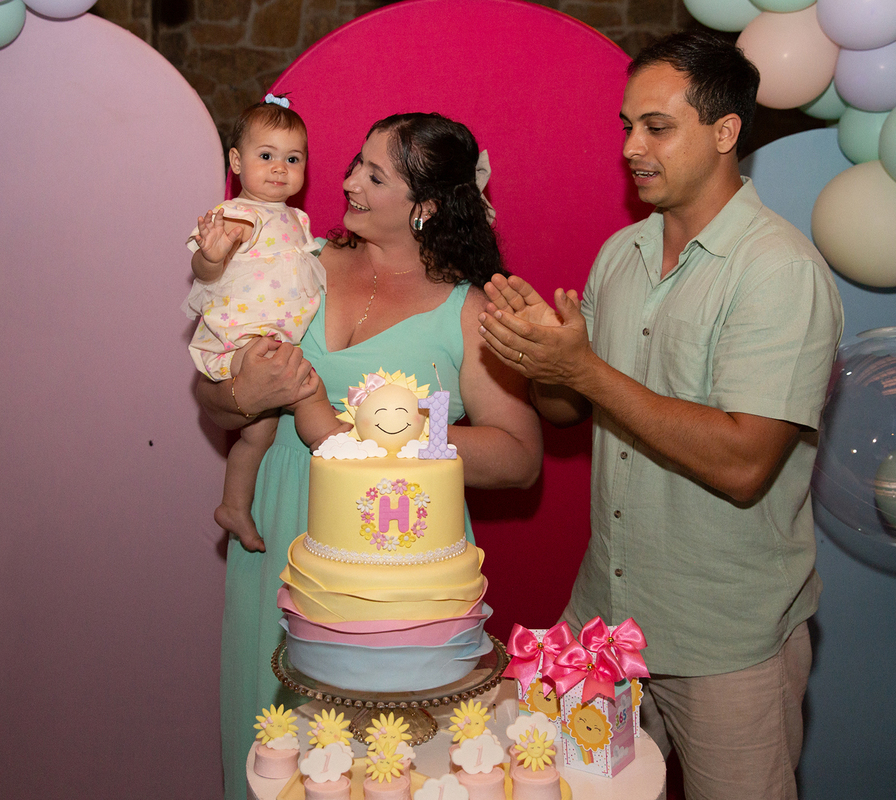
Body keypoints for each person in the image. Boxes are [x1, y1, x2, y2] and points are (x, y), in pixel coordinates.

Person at [478, 31, 843, 800]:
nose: (632, 147)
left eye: (657, 126)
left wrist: (585, 369)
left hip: (724, 640)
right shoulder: (622, 253)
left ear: (725, 132)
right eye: (626, 126)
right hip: (602, 618)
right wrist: (543, 360)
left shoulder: (778, 272)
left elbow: (744, 465)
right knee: (558, 787)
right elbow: (572, 408)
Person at [195, 112, 543, 800]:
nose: (348, 180)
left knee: (380, 769)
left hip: (392, 568)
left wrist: (389, 433)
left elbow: (519, 456)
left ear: (426, 208)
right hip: (276, 538)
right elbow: (212, 402)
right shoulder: (299, 260)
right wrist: (242, 392)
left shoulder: (469, 311)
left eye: (375, 175)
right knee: (271, 752)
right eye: (355, 162)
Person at [184, 93, 345, 553]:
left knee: (259, 433)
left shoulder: (295, 217)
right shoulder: (239, 215)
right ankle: (333, 442)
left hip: (268, 337)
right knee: (306, 384)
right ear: (236, 162)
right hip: (244, 338)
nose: (280, 168)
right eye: (266, 156)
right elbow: (206, 270)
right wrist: (211, 257)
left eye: (292, 159)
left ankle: (234, 505)